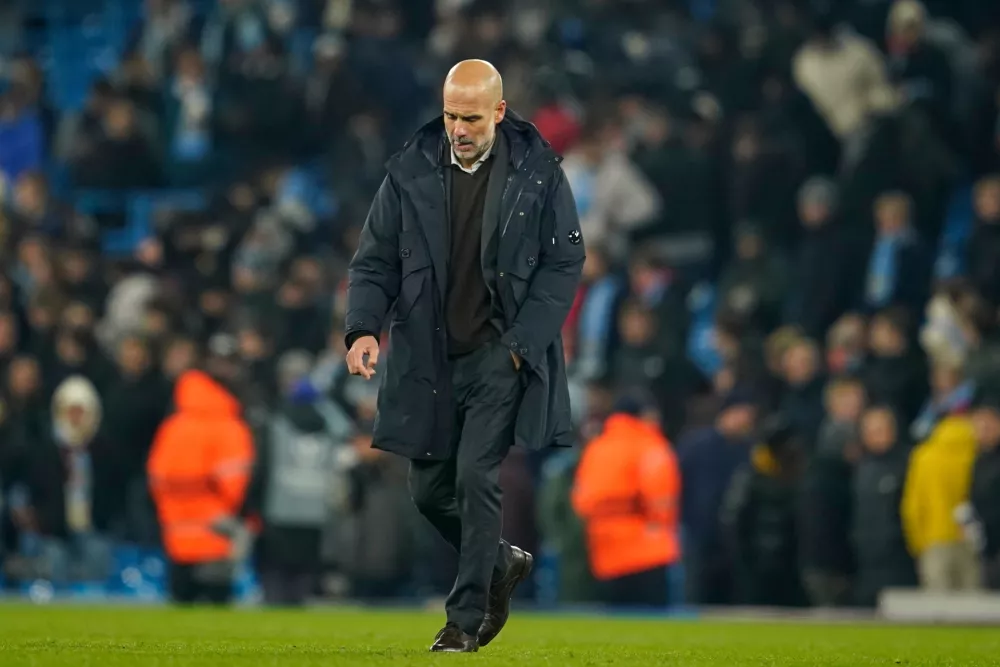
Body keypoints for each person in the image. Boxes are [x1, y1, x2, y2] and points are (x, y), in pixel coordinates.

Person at [344, 59, 584, 652]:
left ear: (499, 112)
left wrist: (520, 346)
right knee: (427, 491)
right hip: (428, 360)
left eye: (471, 117)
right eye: (451, 115)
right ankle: (499, 561)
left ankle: (465, 621)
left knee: (477, 478)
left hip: (497, 356)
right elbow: (375, 261)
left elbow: (564, 263)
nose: (459, 127)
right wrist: (362, 329)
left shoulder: (539, 171)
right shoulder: (409, 171)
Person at [147, 335, 256, 605]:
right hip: (216, 536)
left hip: (175, 535)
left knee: (176, 631)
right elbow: (236, 487)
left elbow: (156, 478)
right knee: (218, 629)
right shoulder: (229, 425)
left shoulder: (174, 424)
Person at [571, 392, 681, 608]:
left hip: (604, 551)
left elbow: (581, 501)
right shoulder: (650, 446)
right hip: (648, 551)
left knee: (617, 626)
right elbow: (661, 498)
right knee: (654, 627)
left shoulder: (596, 448)